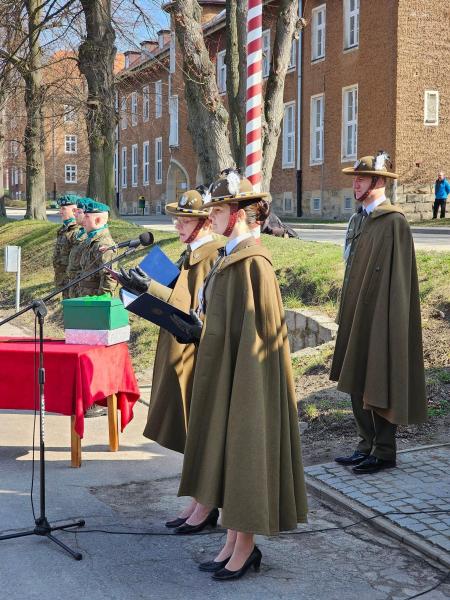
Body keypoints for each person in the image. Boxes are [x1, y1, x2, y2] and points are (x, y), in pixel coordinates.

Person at [173, 170, 308, 580]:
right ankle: (232, 540)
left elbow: (258, 337)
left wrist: (246, 390)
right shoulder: (229, 257)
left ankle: (245, 545)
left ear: (243, 213)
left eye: (219, 209)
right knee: (226, 451)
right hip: (225, 373)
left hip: (247, 380)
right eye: (212, 209)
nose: (211, 215)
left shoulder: (255, 265)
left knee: (244, 451)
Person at [330, 152, 427, 475]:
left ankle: (384, 450)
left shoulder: (393, 222)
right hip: (357, 309)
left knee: (378, 375)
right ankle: (365, 444)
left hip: (381, 315)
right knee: (355, 375)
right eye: (355, 178)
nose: (355, 184)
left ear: (379, 182)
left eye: (362, 178)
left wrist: (391, 322)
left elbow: (398, 280)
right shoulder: (360, 219)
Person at [140, 189, 223, 530]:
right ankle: (197, 500)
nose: (177, 225)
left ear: (204, 221)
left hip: (196, 352)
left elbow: (194, 309)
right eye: (176, 218)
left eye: (185, 219)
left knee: (199, 430)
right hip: (182, 346)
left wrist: (152, 290)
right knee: (192, 433)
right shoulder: (191, 253)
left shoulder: (209, 254)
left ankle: (206, 505)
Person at [76, 199, 117, 297]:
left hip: (94, 301)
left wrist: (101, 303)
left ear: (98, 220)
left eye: (87, 217)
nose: (83, 219)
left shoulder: (104, 244)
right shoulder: (91, 240)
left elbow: (109, 277)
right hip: (85, 296)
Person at [53, 194, 81, 298]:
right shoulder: (64, 229)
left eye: (63, 209)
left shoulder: (78, 230)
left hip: (74, 282)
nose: (60, 212)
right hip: (64, 280)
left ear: (74, 210)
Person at [66, 197, 89, 298]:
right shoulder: (79, 233)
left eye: (78, 212)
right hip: (74, 283)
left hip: (83, 288)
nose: (74, 214)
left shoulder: (89, 237)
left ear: (87, 215)